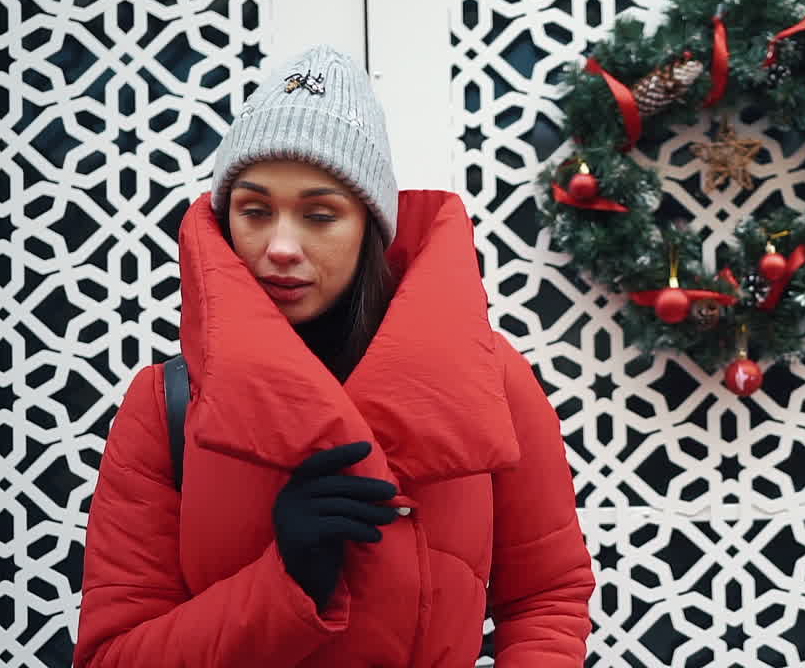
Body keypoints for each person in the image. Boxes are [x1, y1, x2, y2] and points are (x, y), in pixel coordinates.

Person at [74, 45, 595, 667]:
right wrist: (285, 582)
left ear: (371, 228)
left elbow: (546, 596)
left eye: (320, 215)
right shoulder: (167, 406)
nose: (282, 246)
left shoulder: (489, 377)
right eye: (255, 211)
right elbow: (111, 656)